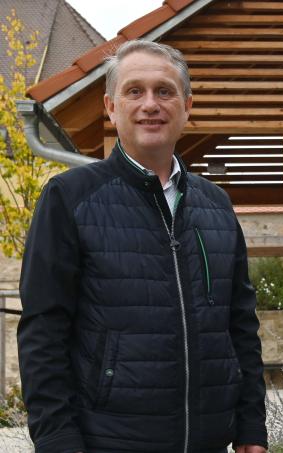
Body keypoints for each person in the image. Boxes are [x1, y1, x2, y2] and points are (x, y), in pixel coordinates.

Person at [17, 40, 267, 453]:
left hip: (209, 443)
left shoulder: (216, 205)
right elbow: (43, 332)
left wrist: (251, 428)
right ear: (111, 107)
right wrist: (57, 440)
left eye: (164, 91)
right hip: (108, 442)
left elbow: (240, 324)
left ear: (187, 105)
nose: (150, 103)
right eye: (134, 91)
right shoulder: (69, 198)